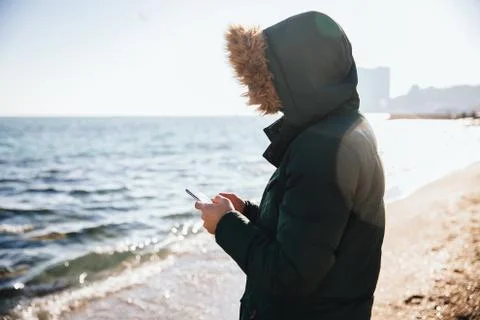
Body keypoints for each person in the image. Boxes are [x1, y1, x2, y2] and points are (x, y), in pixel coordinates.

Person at [194, 11, 385, 320]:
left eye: (271, 72)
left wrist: (226, 225)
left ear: (300, 72)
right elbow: (314, 230)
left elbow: (291, 274)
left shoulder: (322, 148)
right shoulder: (344, 129)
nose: (267, 82)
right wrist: (249, 213)